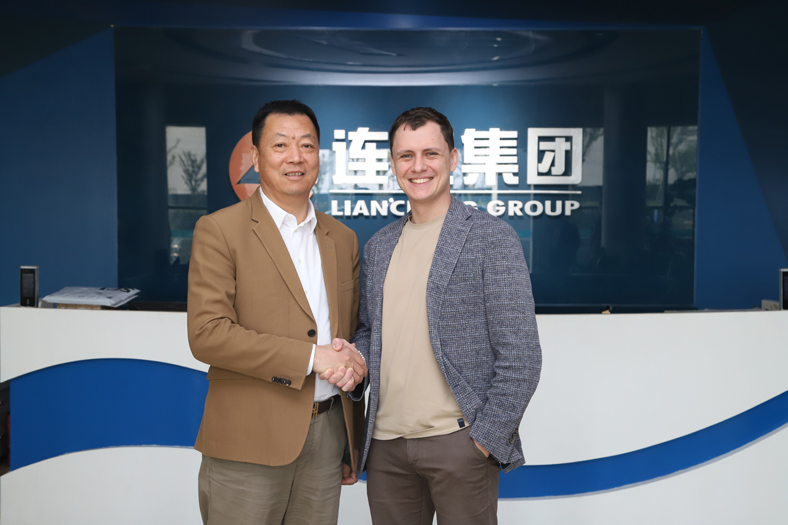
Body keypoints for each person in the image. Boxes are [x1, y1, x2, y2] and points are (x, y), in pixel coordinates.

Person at [347, 107, 542, 524]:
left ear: (453, 159)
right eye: (406, 156)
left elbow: (522, 356)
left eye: (430, 154)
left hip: (460, 443)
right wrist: (353, 357)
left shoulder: (491, 237)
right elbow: (370, 332)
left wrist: (484, 439)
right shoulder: (379, 246)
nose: (418, 166)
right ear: (393, 164)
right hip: (386, 446)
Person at [187, 99, 367, 525]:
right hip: (248, 440)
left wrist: (349, 436)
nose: (295, 157)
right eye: (280, 144)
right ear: (255, 157)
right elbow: (208, 334)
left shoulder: (342, 239)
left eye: (307, 145)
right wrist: (311, 357)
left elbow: (350, 333)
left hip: (327, 440)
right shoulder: (220, 230)